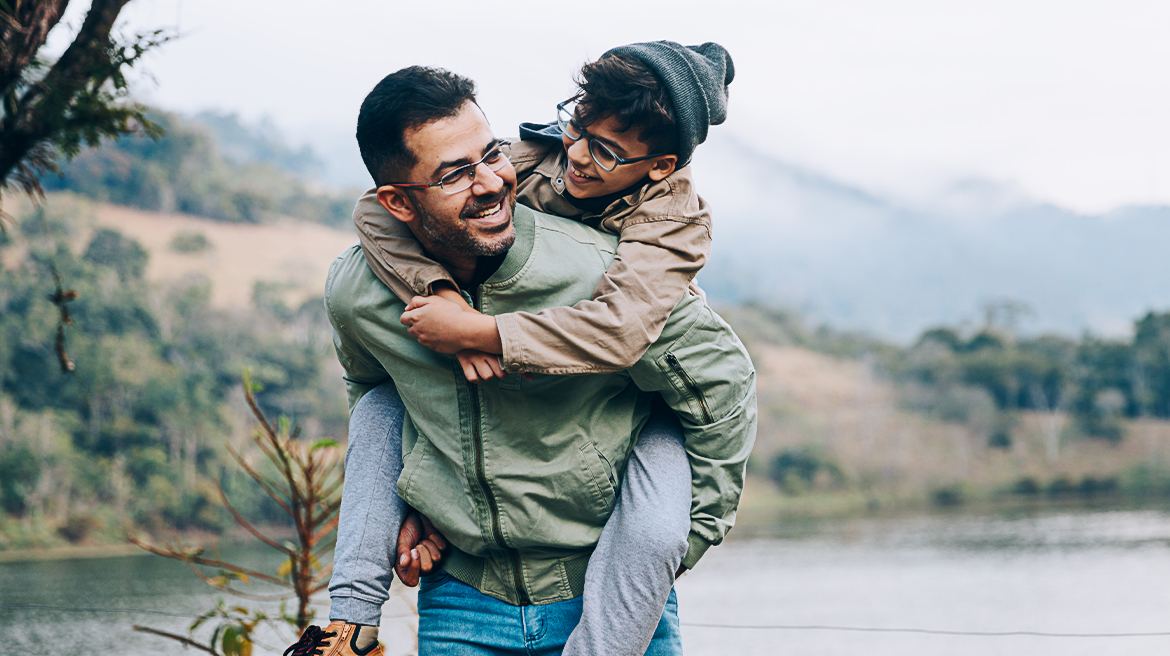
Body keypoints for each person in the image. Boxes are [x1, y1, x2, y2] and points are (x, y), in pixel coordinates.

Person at [287, 63, 755, 656]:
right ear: (400, 199)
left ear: (660, 164)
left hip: (602, 588)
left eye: (488, 157)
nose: (488, 181)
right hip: (462, 594)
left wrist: (486, 333)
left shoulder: (642, 244)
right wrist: (433, 290)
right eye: (456, 172)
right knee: (380, 406)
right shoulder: (365, 285)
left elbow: (694, 369)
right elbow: (378, 383)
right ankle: (347, 631)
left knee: (656, 519)